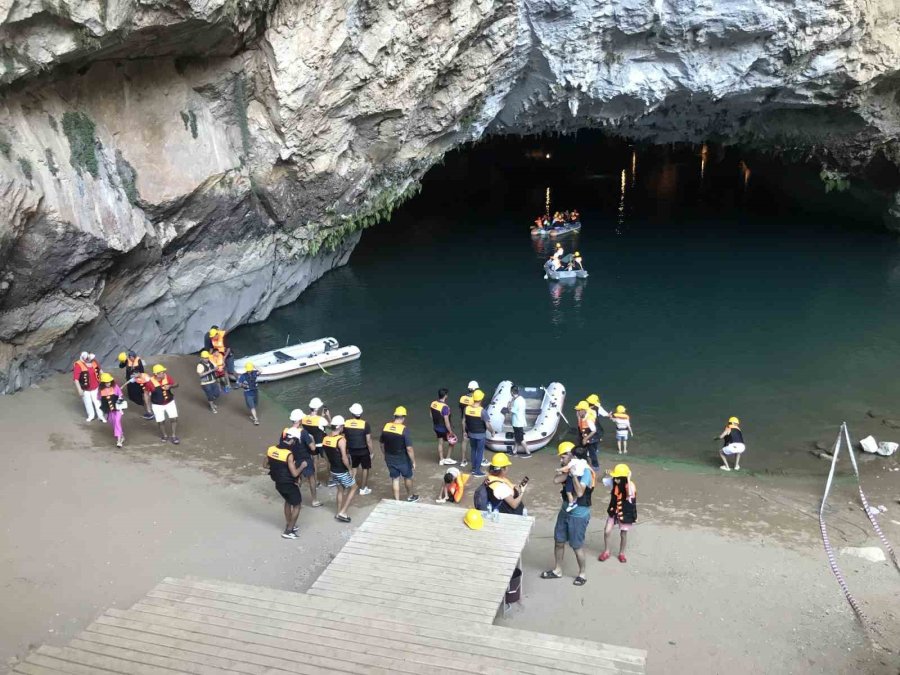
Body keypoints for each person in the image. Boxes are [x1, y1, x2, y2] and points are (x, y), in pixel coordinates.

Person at [542, 441, 595, 585]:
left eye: (562, 457)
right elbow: (555, 480)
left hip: (578, 515)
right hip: (564, 511)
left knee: (577, 546)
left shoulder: (585, 472)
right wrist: (566, 471)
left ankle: (582, 573)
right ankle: (557, 570)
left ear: (571, 456)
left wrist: (573, 475)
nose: (560, 460)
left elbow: (579, 492)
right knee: (559, 542)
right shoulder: (570, 468)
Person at [280, 412, 322, 507]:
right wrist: (313, 441)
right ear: (299, 421)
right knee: (311, 479)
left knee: (296, 479)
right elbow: (313, 448)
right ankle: (314, 500)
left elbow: (283, 446)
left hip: (293, 459)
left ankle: (295, 500)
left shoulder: (286, 432)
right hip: (305, 459)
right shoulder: (303, 432)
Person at [264, 444, 304, 539]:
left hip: (278, 483)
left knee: (288, 501)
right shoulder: (288, 454)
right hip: (289, 484)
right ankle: (289, 531)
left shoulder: (271, 449)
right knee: (297, 505)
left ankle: (289, 524)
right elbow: (294, 474)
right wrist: (302, 466)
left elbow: (264, 465)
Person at [379, 406, 419, 502]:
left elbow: (381, 444)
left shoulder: (386, 427)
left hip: (389, 458)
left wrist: (385, 454)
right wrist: (413, 461)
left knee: (395, 479)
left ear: (394, 416)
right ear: (403, 417)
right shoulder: (404, 430)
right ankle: (410, 496)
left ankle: (396, 500)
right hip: (402, 459)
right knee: (407, 477)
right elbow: (409, 448)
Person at [599, 463, 637, 563]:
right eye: (615, 477)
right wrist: (604, 474)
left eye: (618, 478)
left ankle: (621, 553)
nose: (615, 480)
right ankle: (606, 551)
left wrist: (628, 479)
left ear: (624, 478)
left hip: (625, 513)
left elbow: (628, 494)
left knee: (623, 534)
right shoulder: (613, 481)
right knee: (607, 531)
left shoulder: (631, 486)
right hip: (613, 510)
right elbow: (599, 481)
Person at [322, 416, 357, 522]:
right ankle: (343, 512)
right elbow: (344, 458)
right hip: (342, 470)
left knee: (340, 490)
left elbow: (326, 455)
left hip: (333, 470)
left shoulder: (326, 439)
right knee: (354, 487)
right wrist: (350, 469)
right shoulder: (341, 440)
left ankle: (338, 512)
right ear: (340, 427)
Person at [145, 364, 179, 444]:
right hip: (157, 405)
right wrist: (148, 407)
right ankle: (164, 435)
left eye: (164, 372)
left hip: (170, 402)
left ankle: (173, 435)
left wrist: (170, 386)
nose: (164, 373)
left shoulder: (167, 377)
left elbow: (176, 384)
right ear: (156, 374)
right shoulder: (150, 383)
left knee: (174, 418)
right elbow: (146, 394)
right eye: (162, 372)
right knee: (160, 421)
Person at [345, 403, 374, 496]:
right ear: (361, 413)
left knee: (354, 467)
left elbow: (344, 436)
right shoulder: (365, 424)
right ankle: (363, 488)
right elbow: (368, 440)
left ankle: (352, 485)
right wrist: (372, 452)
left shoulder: (346, 423)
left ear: (352, 413)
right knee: (365, 468)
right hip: (363, 450)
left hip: (352, 449)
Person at [464, 389, 495, 477]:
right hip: (480, 435)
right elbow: (487, 424)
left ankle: (474, 468)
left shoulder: (467, 408)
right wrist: (492, 431)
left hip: (471, 433)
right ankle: (477, 471)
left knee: (473, 450)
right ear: (481, 399)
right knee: (480, 451)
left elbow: (465, 421)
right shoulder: (482, 411)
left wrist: (465, 432)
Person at [302, 397, 331, 485]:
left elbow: (314, 424)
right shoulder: (320, 420)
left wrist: (321, 416)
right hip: (321, 443)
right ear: (317, 408)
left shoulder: (304, 418)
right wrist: (328, 415)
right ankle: (329, 479)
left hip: (311, 443)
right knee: (329, 460)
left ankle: (315, 481)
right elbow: (331, 425)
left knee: (315, 462)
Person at [73, 351, 105, 423]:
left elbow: (100, 370)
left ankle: (101, 416)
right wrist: (79, 390)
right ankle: (91, 416)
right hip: (85, 388)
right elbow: (76, 379)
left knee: (97, 402)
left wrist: (105, 379)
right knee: (88, 402)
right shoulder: (78, 365)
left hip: (95, 386)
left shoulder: (94, 361)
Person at [97, 372, 126, 447]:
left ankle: (119, 440)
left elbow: (120, 395)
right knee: (112, 422)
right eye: (106, 382)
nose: (108, 383)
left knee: (117, 421)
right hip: (109, 410)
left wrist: (119, 399)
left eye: (109, 382)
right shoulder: (100, 390)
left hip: (117, 409)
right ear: (103, 383)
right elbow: (99, 399)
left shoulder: (115, 387)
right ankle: (121, 434)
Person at [118, 351, 150, 417]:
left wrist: (137, 375)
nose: (131, 358)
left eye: (132, 357)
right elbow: (121, 366)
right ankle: (133, 399)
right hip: (130, 377)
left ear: (134, 357)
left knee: (138, 390)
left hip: (137, 378)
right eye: (130, 357)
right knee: (131, 390)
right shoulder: (127, 360)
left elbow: (141, 370)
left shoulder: (138, 361)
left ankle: (140, 402)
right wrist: (122, 362)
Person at [430, 388, 457, 466]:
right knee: (452, 441)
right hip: (443, 428)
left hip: (436, 427)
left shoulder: (433, 403)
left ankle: (441, 460)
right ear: (445, 396)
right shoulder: (445, 407)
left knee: (440, 443)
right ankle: (448, 458)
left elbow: (431, 415)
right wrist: (450, 431)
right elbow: (446, 421)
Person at [458, 381, 479, 468]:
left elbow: (461, 410)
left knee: (464, 440)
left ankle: (463, 460)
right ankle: (480, 459)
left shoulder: (462, 398)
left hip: (464, 421)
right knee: (477, 440)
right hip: (473, 422)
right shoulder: (474, 400)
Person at [507, 385, 530, 458]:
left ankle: (528, 453)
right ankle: (514, 451)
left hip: (517, 423)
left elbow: (510, 411)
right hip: (520, 421)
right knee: (517, 438)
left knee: (521, 439)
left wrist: (508, 405)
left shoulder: (516, 401)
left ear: (512, 392)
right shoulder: (521, 399)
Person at [575, 400, 599, 469]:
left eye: (579, 410)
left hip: (590, 437)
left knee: (592, 452)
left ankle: (595, 465)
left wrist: (585, 439)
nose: (578, 411)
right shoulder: (580, 415)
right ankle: (583, 461)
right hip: (583, 434)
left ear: (584, 410)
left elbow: (594, 430)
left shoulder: (589, 419)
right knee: (582, 448)